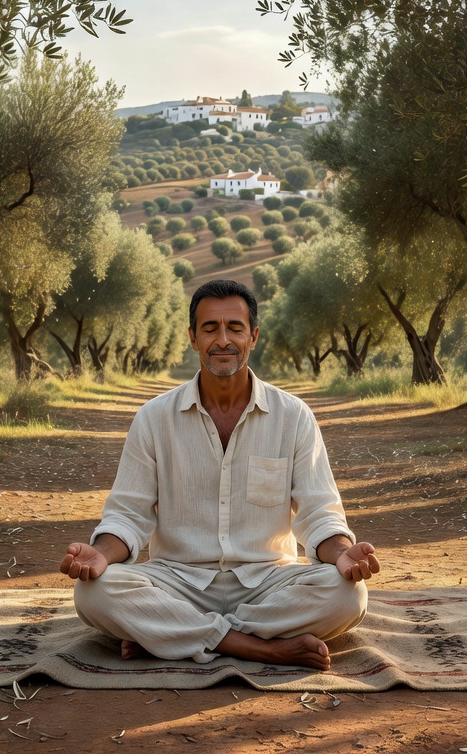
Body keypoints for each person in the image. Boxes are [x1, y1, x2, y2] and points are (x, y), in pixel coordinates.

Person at [59, 279, 379, 671]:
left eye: (235, 328)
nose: (223, 339)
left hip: (267, 583)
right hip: (177, 580)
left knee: (348, 595)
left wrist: (343, 554)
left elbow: (319, 514)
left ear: (253, 336)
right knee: (95, 592)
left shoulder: (293, 417)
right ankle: (258, 647)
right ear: (193, 338)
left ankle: (171, 635)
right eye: (210, 328)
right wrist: (101, 554)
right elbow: (128, 513)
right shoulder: (154, 418)